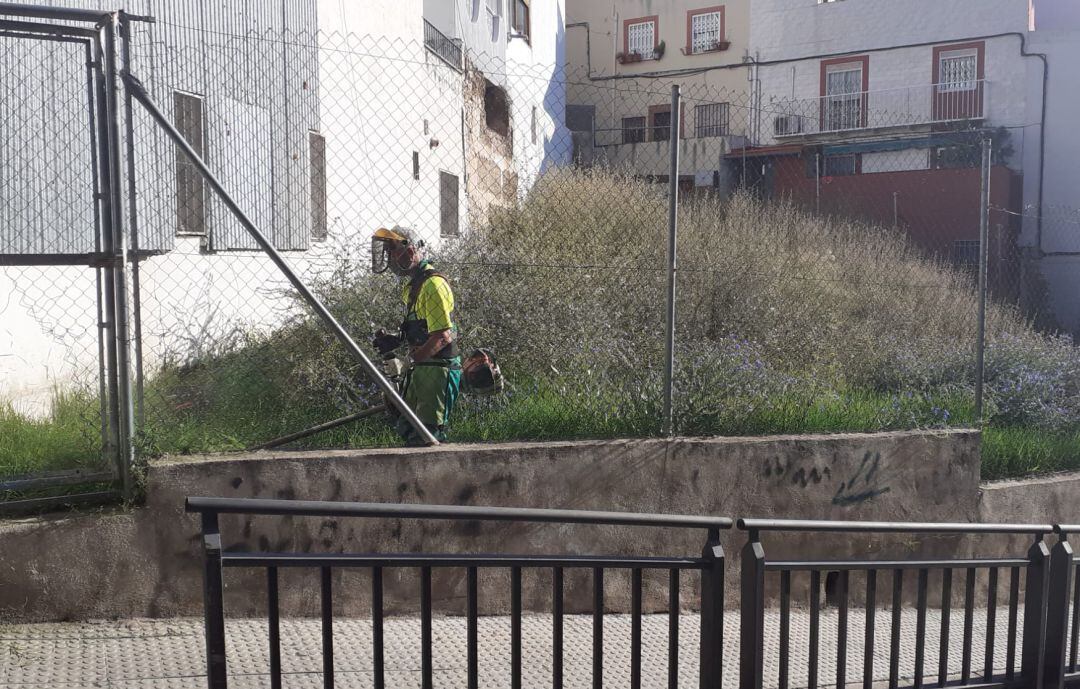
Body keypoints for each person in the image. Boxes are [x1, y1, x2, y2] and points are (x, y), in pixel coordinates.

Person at [371, 226, 461, 445]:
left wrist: (407, 362)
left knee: (426, 436)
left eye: (393, 250)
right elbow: (423, 328)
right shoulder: (415, 286)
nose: (390, 257)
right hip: (421, 368)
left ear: (410, 250)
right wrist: (397, 339)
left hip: (437, 371)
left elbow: (442, 336)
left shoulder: (433, 285)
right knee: (406, 426)